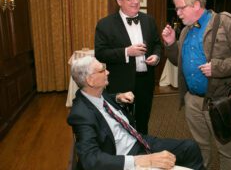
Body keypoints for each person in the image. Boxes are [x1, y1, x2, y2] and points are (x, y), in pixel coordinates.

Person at [161, 0, 231, 170]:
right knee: (200, 147)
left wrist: (218, 68)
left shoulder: (224, 21)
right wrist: (171, 44)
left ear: (196, 5)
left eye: (181, 7)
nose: (177, 12)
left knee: (226, 149)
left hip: (219, 101)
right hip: (193, 101)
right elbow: (179, 62)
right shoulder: (186, 30)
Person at [67, 55, 205, 170]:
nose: (107, 72)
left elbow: (107, 99)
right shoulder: (81, 115)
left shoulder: (97, 93)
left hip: (138, 140)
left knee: (190, 148)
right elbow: (90, 160)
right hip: (125, 157)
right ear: (90, 80)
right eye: (102, 70)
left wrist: (118, 96)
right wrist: (141, 160)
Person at [94, 0, 161, 135]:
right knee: (121, 120)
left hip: (146, 79)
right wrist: (126, 52)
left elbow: (157, 44)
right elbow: (100, 53)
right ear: (119, 1)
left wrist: (156, 56)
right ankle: (125, 154)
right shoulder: (105, 24)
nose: (135, 1)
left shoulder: (149, 20)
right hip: (120, 81)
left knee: (144, 118)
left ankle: (143, 147)